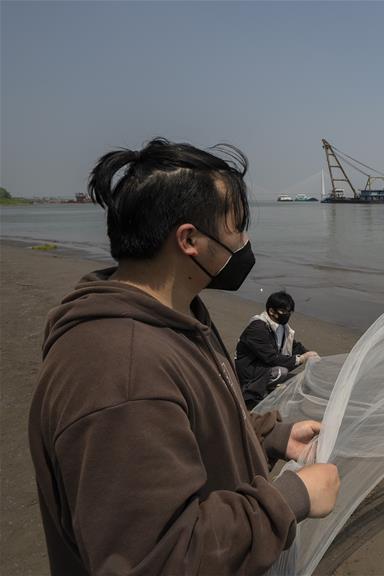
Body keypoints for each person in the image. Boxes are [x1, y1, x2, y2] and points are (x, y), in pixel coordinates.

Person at [28, 138, 340, 575]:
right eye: (236, 227)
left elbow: (186, 426)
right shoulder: (123, 372)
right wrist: (291, 499)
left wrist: (269, 436)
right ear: (190, 239)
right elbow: (159, 558)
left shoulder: (178, 318)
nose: (245, 242)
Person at [236, 290, 320, 409]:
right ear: (271, 311)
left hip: (264, 364)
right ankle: (252, 394)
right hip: (250, 368)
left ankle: (270, 387)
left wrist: (308, 353)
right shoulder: (258, 327)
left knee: (299, 378)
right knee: (282, 372)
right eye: (283, 311)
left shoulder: (282, 327)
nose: (287, 314)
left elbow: (294, 346)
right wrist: (301, 359)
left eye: (289, 311)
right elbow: (270, 358)